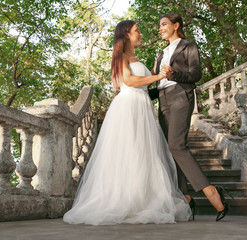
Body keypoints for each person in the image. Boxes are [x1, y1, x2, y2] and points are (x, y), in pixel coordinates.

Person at [63, 20, 192, 225]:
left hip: (142, 106)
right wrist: (157, 76)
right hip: (129, 106)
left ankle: (141, 198)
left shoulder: (136, 58)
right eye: (136, 31)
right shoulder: (121, 57)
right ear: (126, 35)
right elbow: (129, 81)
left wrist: (163, 76)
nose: (140, 34)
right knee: (128, 151)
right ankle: (122, 200)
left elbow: (145, 83)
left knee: (143, 153)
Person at [148, 13, 230, 221]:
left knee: (177, 146)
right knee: (170, 150)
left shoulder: (188, 46)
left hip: (180, 96)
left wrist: (174, 74)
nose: (161, 28)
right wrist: (135, 93)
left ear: (176, 26)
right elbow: (158, 86)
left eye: (164, 24)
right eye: (160, 25)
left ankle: (211, 191)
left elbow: (195, 74)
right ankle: (186, 198)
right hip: (164, 101)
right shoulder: (161, 55)